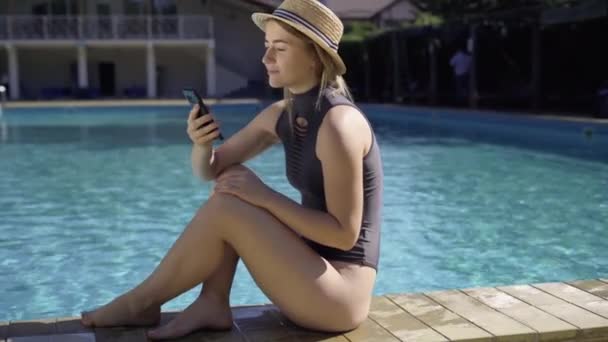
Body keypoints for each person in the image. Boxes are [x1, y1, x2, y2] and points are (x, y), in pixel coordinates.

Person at [80, 0, 384, 339]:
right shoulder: (282, 114)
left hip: (339, 297)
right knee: (228, 186)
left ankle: (143, 302)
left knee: (234, 202)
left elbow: (343, 234)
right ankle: (212, 301)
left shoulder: (339, 124)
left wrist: (264, 197)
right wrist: (202, 143)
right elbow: (211, 170)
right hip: (312, 274)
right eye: (267, 46)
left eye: (280, 48)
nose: (266, 58)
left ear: (315, 56)